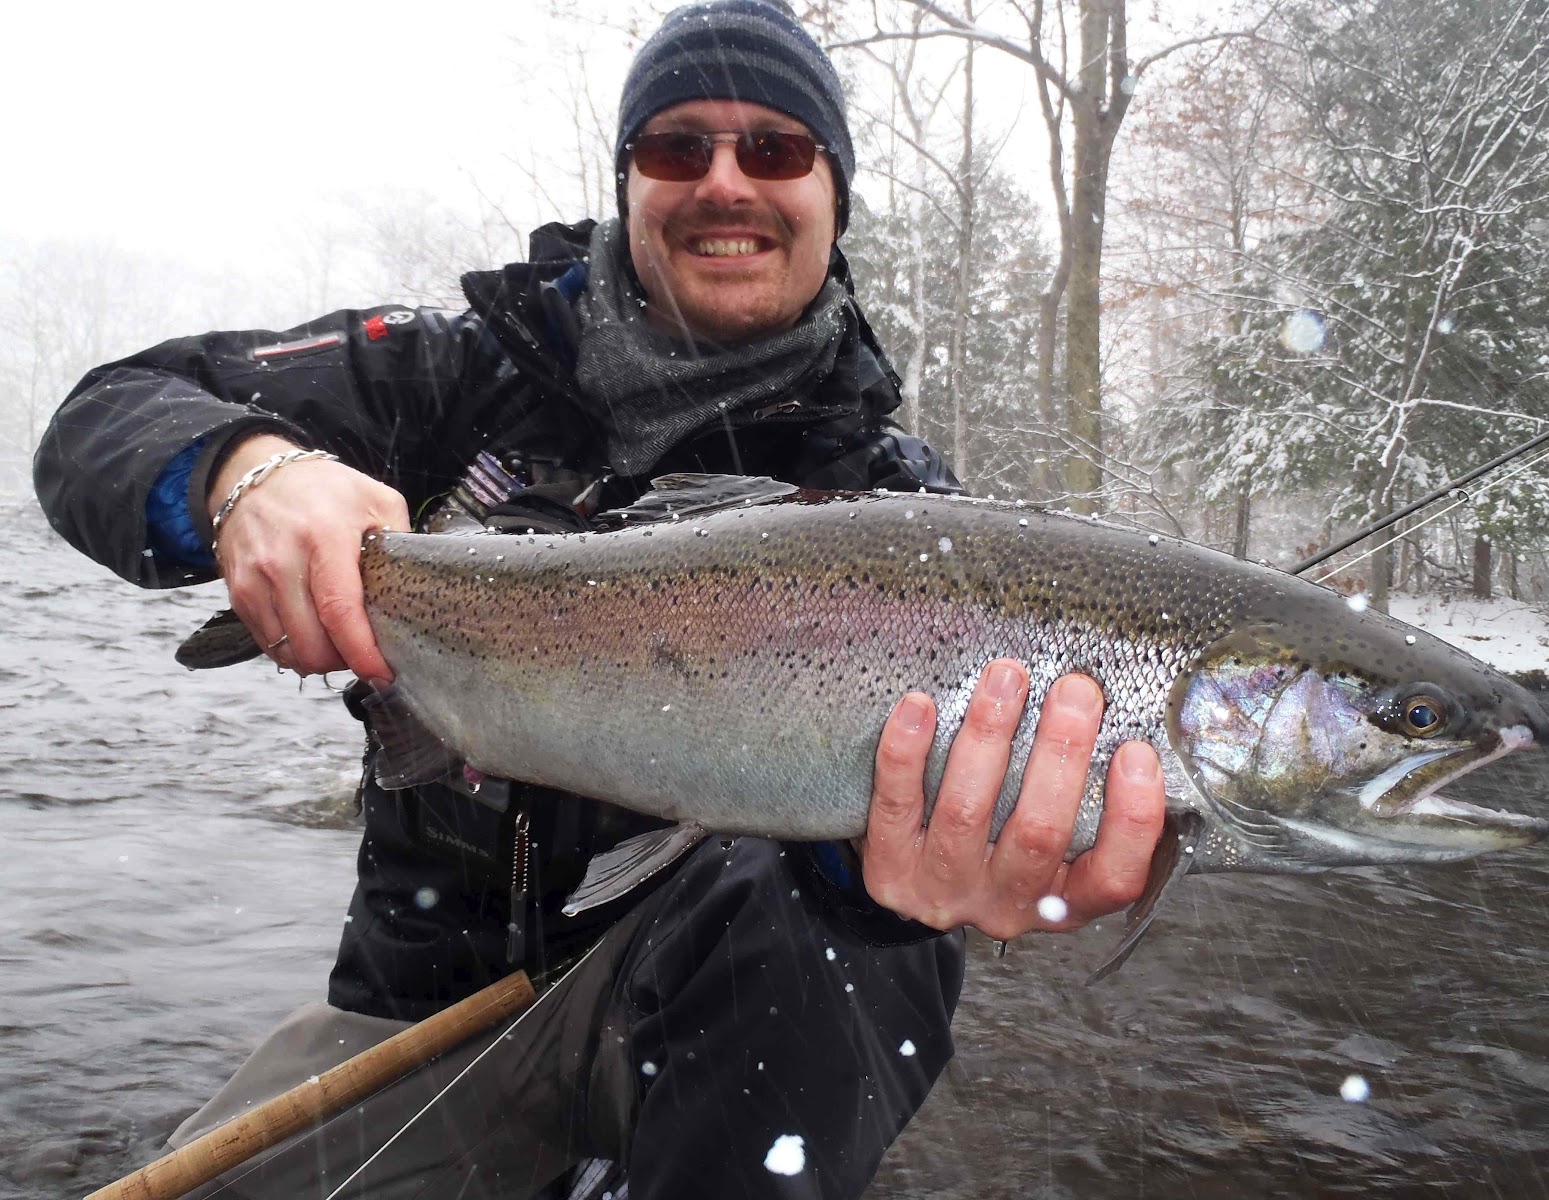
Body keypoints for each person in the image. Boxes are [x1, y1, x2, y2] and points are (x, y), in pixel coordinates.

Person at [34, 2, 1166, 1197]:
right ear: (625, 179)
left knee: (855, 952)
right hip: (429, 1023)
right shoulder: (455, 371)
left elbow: (857, 885)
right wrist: (242, 473)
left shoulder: (906, 512)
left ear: (836, 192)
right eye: (679, 148)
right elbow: (106, 415)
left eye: (775, 151)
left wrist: (885, 891)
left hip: (720, 1039)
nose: (725, 183)